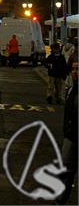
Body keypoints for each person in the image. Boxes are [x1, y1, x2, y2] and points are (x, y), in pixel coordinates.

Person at [55, 59, 78, 204]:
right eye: (74, 69)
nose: (76, 72)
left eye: (78, 69)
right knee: (65, 171)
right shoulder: (71, 89)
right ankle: (60, 200)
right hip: (70, 137)